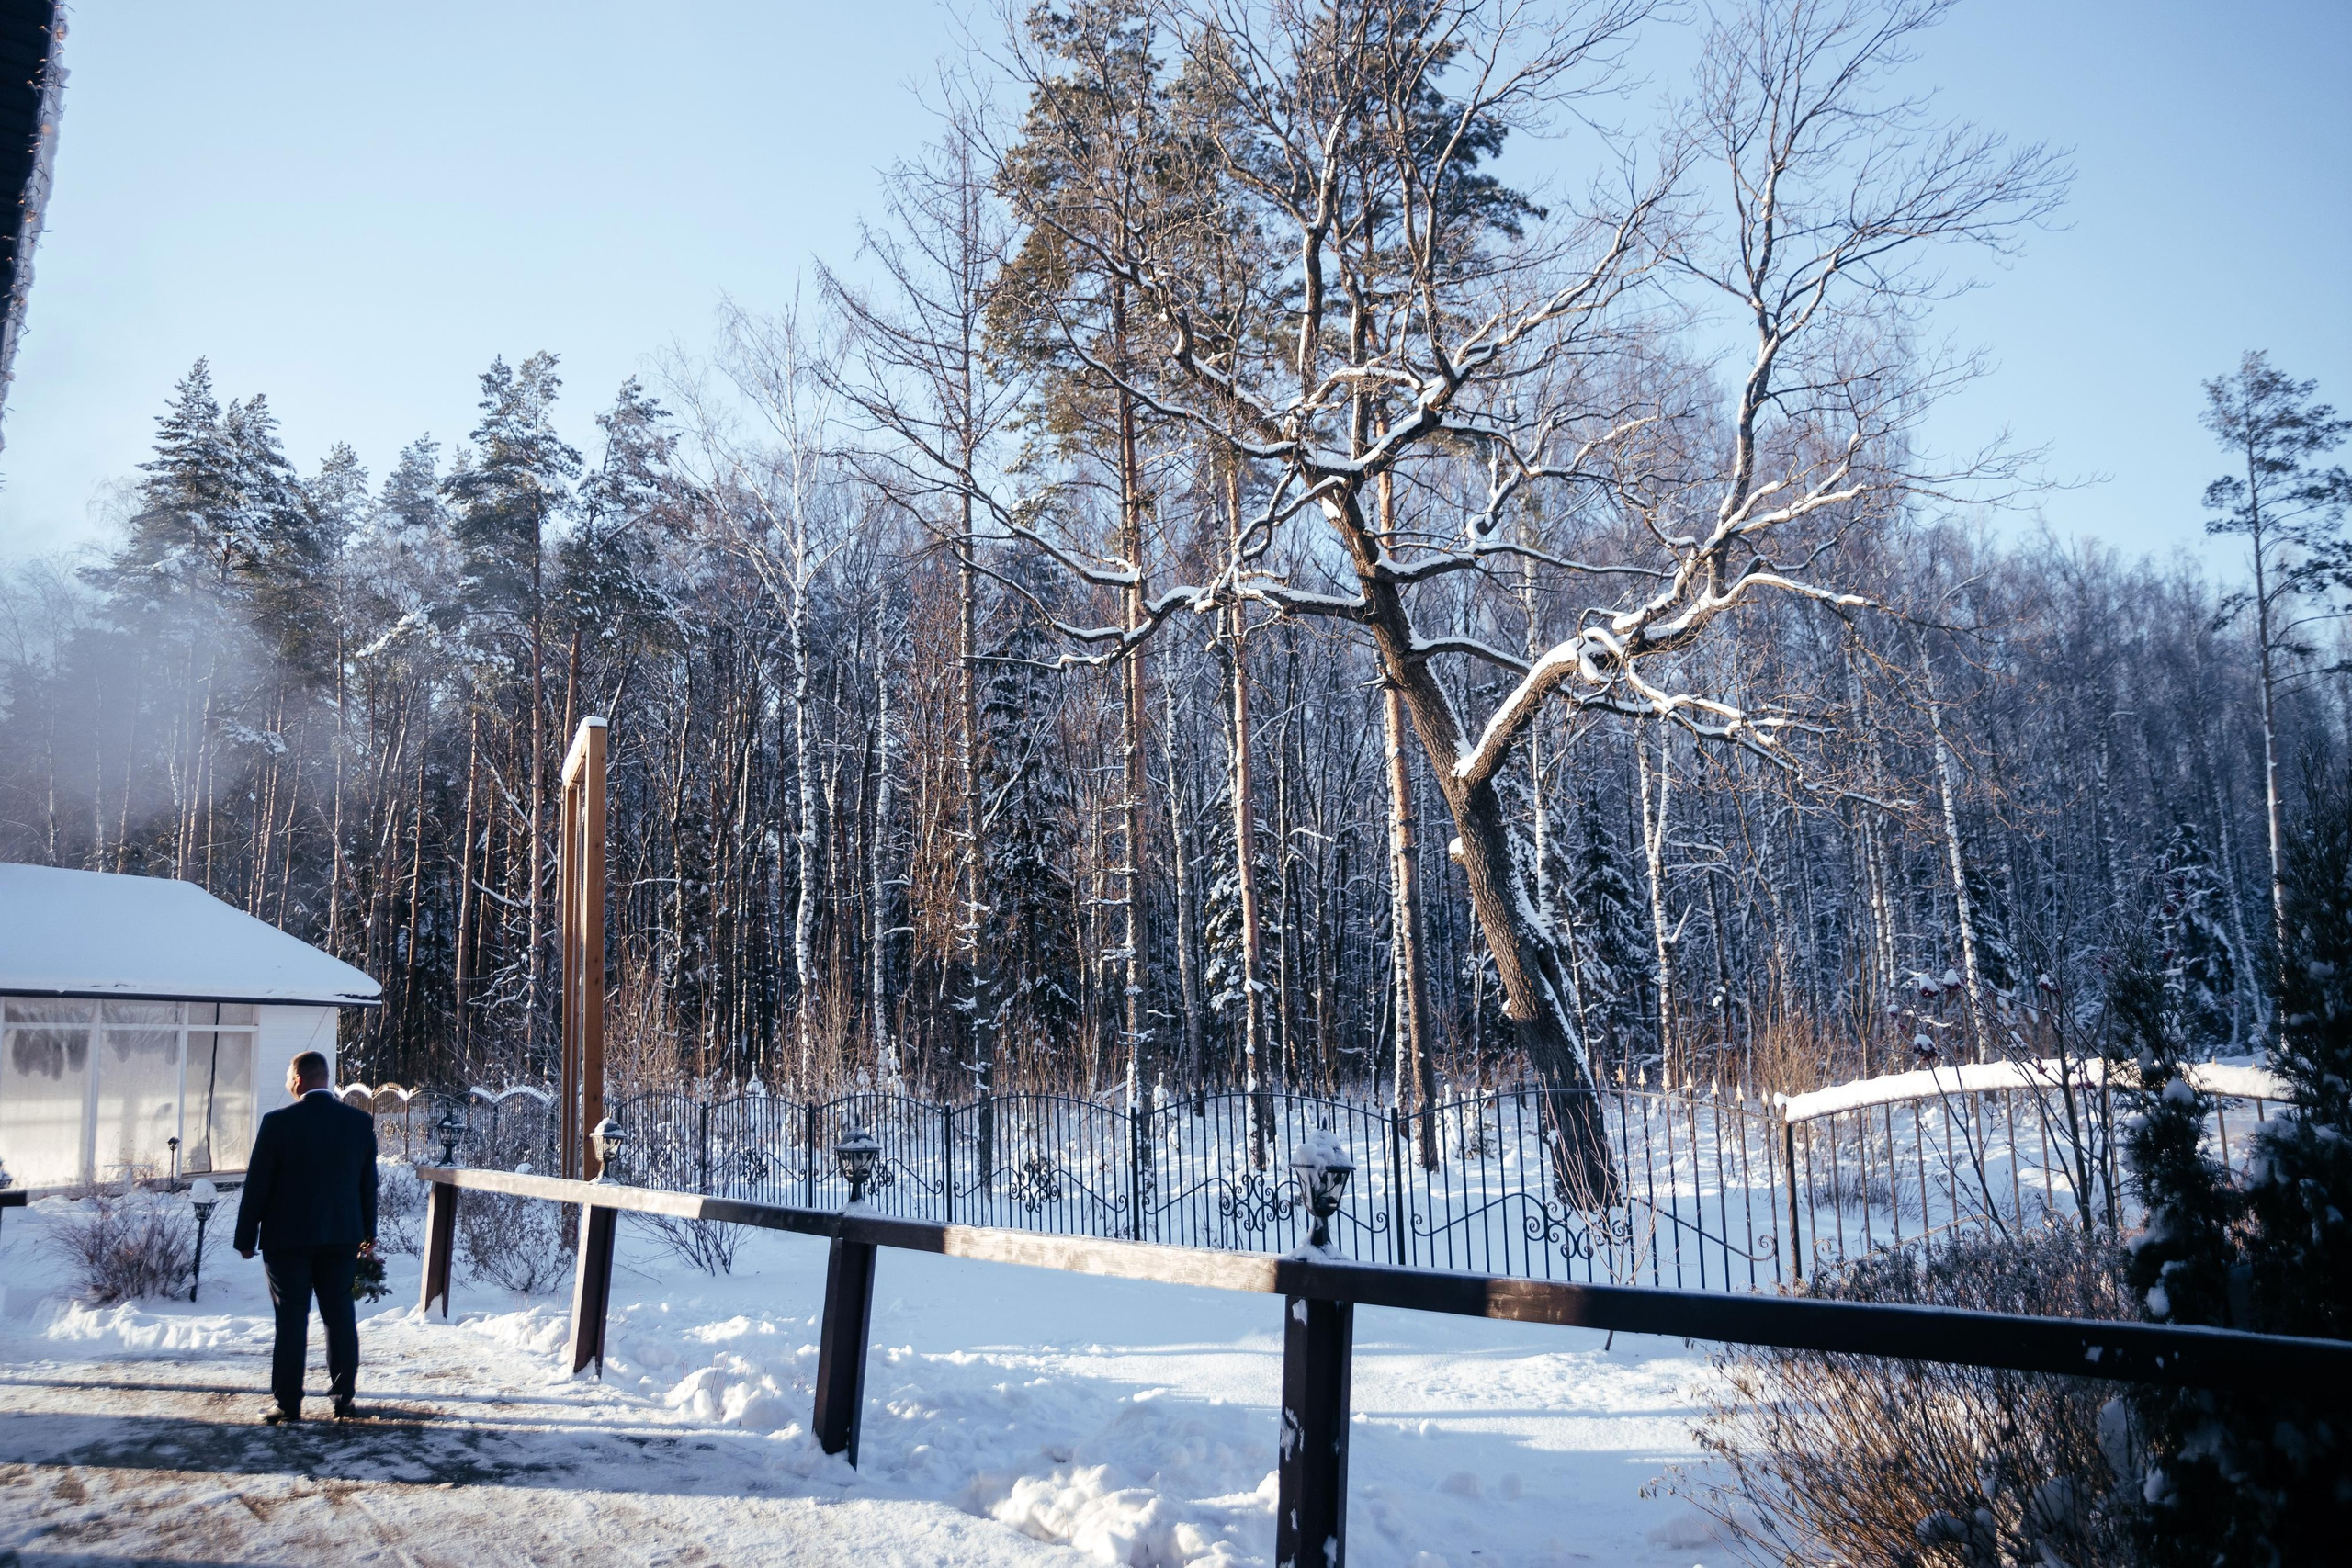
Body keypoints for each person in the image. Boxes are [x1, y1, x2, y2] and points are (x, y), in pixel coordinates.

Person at [232, 1049, 378, 1424]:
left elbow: (257, 1185)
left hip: (288, 1240)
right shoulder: (359, 1123)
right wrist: (367, 1236)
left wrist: (246, 1237)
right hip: (342, 1238)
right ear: (324, 1079)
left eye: (287, 1077)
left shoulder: (277, 1123)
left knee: (292, 1318)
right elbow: (367, 1187)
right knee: (340, 1315)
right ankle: (344, 1397)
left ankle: (288, 1403)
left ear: (297, 1080)